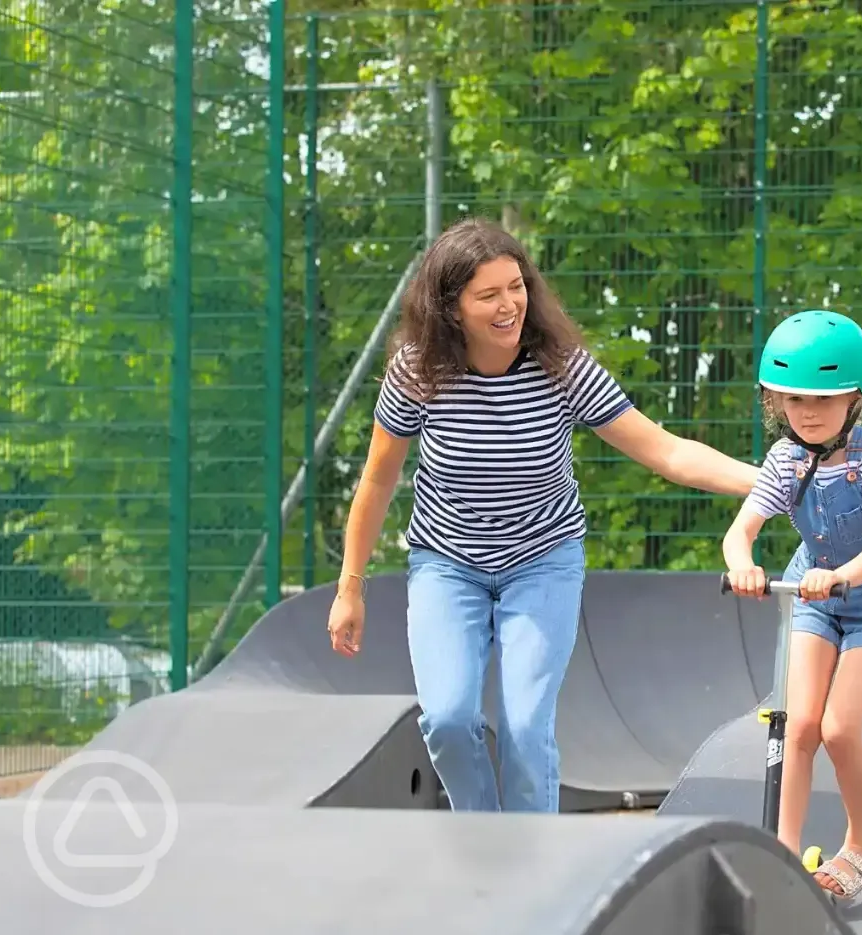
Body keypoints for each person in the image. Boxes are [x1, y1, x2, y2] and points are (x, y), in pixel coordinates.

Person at [325, 217, 759, 814]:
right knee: (449, 719)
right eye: (489, 295)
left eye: (517, 286)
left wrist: (768, 483)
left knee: (527, 730)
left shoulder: (560, 365)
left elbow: (665, 450)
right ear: (452, 309)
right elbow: (376, 479)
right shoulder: (418, 371)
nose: (510, 305)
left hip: (542, 562)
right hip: (447, 565)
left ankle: (536, 861)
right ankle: (486, 840)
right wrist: (351, 587)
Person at [722, 309, 862, 903]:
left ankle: (860, 847)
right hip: (813, 596)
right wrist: (744, 565)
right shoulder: (785, 459)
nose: (807, 413)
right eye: (794, 400)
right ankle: (783, 858)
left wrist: (839, 576)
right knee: (798, 725)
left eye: (824, 400)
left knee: (837, 729)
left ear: (854, 400)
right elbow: (740, 532)